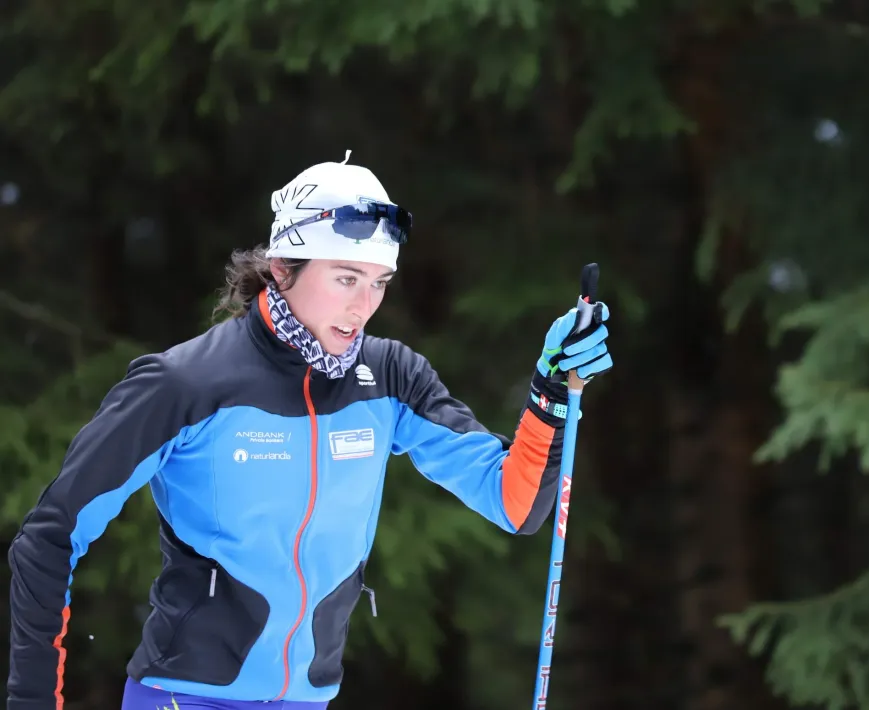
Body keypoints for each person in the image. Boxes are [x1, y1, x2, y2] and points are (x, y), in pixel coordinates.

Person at [6, 154, 612, 710]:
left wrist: (551, 391)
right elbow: (51, 536)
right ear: (282, 267)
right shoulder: (186, 384)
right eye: (346, 278)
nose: (364, 305)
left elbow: (516, 503)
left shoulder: (390, 377)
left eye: (378, 283)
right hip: (184, 698)